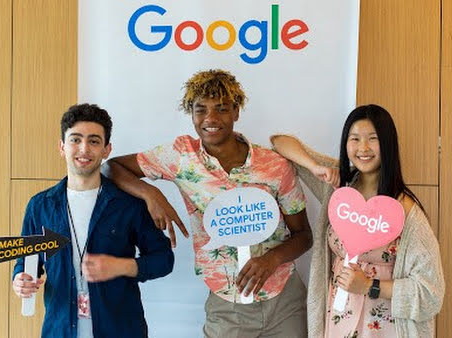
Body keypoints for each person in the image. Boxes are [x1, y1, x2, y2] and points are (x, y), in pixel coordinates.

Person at [104, 69, 312, 337]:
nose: (210, 119)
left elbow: (304, 235)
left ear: (236, 112)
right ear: (191, 113)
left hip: (285, 300)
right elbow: (113, 167)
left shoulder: (273, 165)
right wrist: (152, 194)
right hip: (227, 306)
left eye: (222, 109)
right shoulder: (182, 156)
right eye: (200, 109)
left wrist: (272, 259)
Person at [271, 104, 444, 338]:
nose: (363, 148)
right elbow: (280, 142)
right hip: (338, 321)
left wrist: (371, 286)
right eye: (354, 139)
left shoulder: (405, 211)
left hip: (385, 326)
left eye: (373, 139)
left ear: (388, 145)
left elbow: (430, 293)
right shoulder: (339, 188)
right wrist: (316, 168)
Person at [12, 103, 174, 338]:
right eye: (75, 139)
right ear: (62, 146)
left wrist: (121, 266)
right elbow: (27, 261)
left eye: (94, 141)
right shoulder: (40, 206)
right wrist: (20, 279)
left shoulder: (129, 204)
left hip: (121, 330)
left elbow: (164, 259)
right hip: (60, 330)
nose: (84, 149)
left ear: (106, 150)